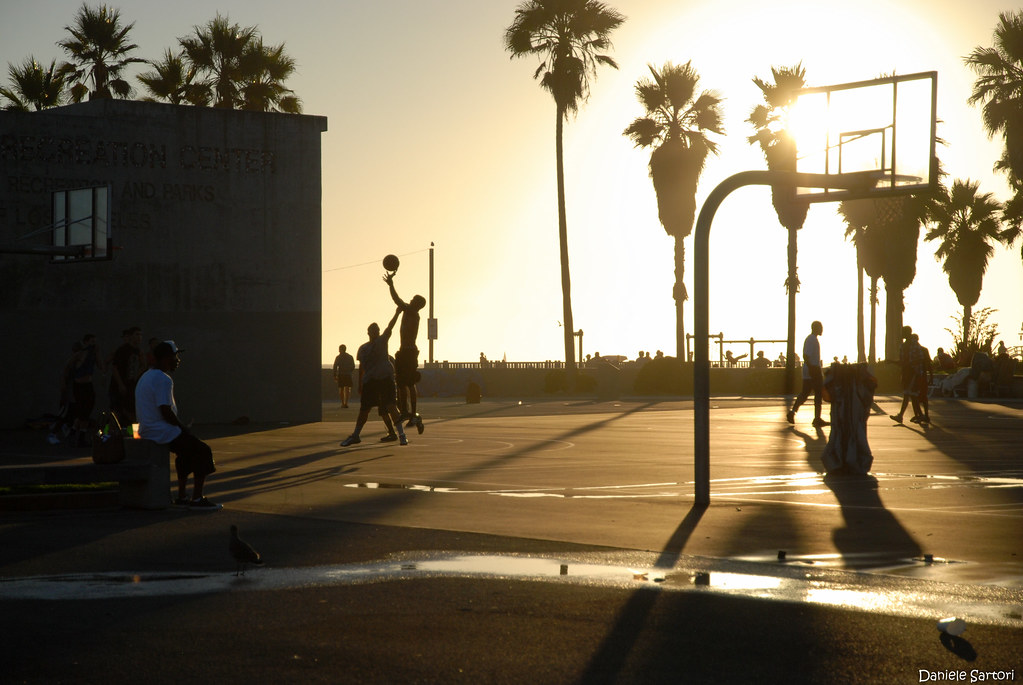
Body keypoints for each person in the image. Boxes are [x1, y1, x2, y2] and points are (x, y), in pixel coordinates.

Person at [135, 341, 220, 510]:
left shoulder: (147, 376)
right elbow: (165, 410)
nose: (178, 360)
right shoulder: (163, 379)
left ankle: (182, 496)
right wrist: (183, 427)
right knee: (202, 450)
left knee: (185, 454)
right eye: (176, 356)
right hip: (160, 430)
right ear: (167, 359)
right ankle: (197, 499)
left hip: (149, 428)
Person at [340, 309, 409, 447]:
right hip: (370, 382)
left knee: (391, 406)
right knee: (364, 410)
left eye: (377, 330)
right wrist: (360, 384)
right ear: (369, 332)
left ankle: (402, 435)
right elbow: (362, 369)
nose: (376, 332)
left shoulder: (382, 341)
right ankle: (356, 435)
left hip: (385, 379)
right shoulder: (363, 348)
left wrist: (396, 313)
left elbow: (390, 327)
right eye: (373, 330)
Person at [384, 272, 427, 434]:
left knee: (407, 383)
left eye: (413, 300)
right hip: (404, 352)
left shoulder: (412, 313)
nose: (410, 301)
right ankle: (406, 411)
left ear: (417, 304)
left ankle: (411, 412)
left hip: (409, 353)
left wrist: (391, 285)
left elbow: (397, 300)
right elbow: (400, 302)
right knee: (402, 383)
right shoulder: (409, 311)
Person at [787, 321, 829, 427]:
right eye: (820, 327)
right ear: (815, 328)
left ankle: (792, 412)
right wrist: (812, 369)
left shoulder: (813, 339)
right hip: (813, 370)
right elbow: (806, 356)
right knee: (818, 394)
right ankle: (817, 418)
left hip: (811, 369)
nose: (822, 329)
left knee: (805, 393)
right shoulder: (811, 340)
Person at [108, 326, 145, 424]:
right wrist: (120, 384)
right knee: (116, 412)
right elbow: (114, 368)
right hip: (118, 386)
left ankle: (130, 436)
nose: (139, 337)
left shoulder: (138, 351)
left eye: (140, 335)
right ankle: (107, 434)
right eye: (137, 334)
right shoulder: (122, 350)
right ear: (131, 336)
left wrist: (136, 377)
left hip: (130, 386)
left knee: (131, 412)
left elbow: (143, 365)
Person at [890, 326, 923, 424]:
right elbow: (901, 362)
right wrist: (891, 362)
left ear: (908, 333)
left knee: (907, 394)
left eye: (903, 332)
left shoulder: (915, 345)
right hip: (906, 373)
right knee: (911, 395)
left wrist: (911, 364)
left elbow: (921, 358)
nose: (901, 334)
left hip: (914, 372)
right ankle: (920, 415)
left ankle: (901, 416)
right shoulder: (902, 346)